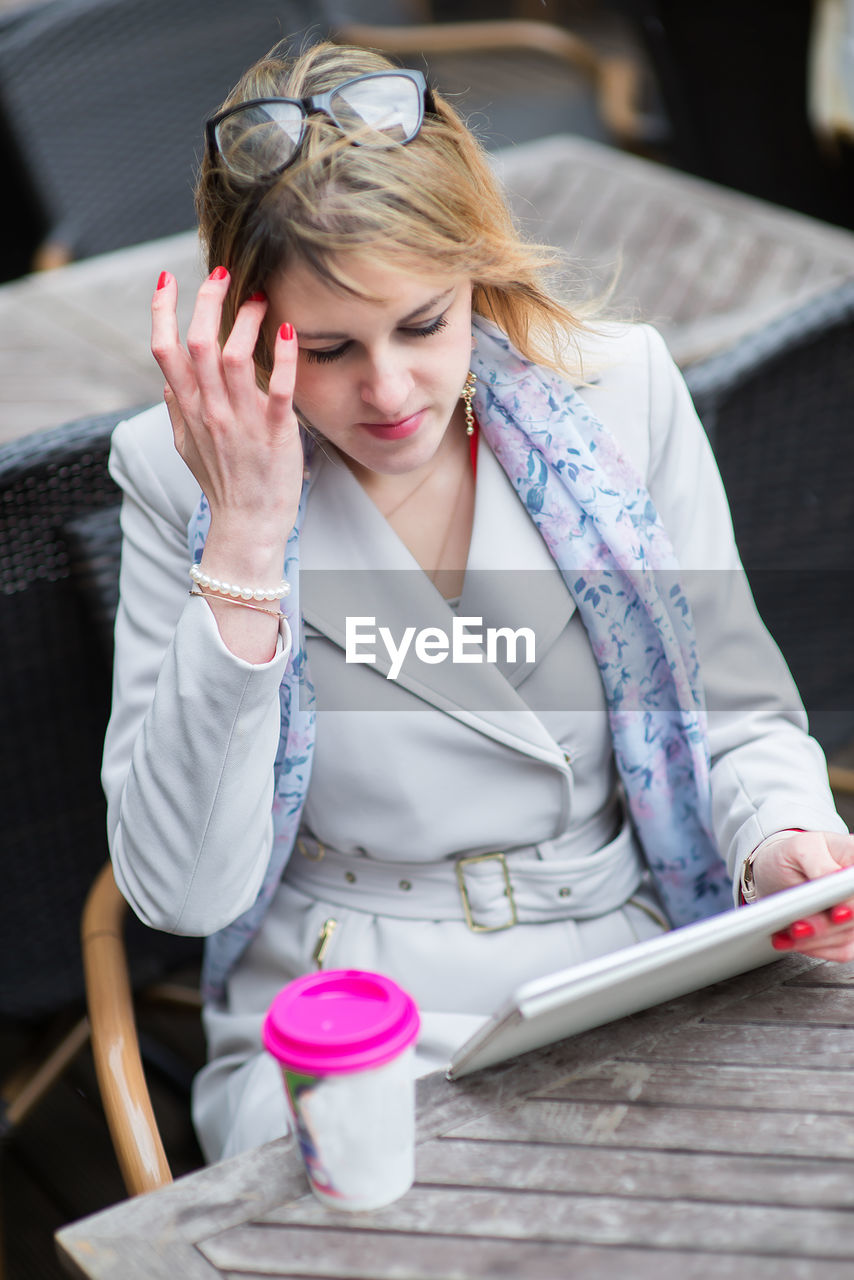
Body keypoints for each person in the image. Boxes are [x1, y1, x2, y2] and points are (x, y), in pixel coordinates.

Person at [102, 39, 854, 1163]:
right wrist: (248, 532)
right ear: (247, 328)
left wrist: (780, 834)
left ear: (476, 275)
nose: (390, 391)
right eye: (327, 350)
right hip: (343, 1000)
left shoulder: (618, 390)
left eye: (423, 324)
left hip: (626, 956)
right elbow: (183, 888)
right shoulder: (175, 476)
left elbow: (733, 713)